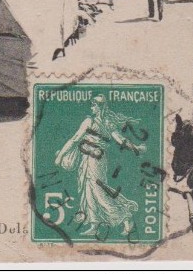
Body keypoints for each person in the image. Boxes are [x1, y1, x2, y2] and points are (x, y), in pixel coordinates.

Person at [54, 95, 145, 237]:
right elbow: (120, 140)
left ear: (99, 106)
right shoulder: (105, 121)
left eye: (93, 105)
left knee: (98, 191)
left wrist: (60, 156)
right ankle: (94, 225)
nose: (91, 108)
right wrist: (136, 148)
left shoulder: (93, 121)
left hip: (95, 160)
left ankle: (125, 216)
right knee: (88, 190)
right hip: (88, 158)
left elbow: (74, 139)